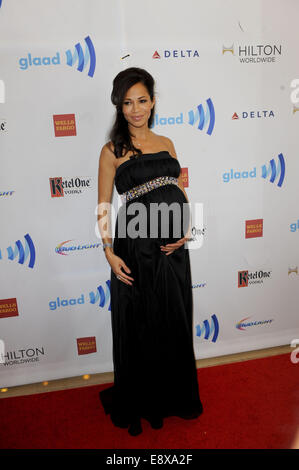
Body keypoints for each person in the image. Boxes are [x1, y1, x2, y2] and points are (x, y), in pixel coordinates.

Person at [97, 67, 203, 436]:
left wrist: (188, 228)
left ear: (153, 102)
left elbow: (179, 189)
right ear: (119, 107)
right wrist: (108, 252)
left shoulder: (168, 142)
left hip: (173, 249)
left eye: (142, 100)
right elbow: (104, 206)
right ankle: (143, 401)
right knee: (141, 322)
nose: (136, 109)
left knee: (172, 319)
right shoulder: (112, 151)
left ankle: (171, 397)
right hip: (136, 246)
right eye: (128, 102)